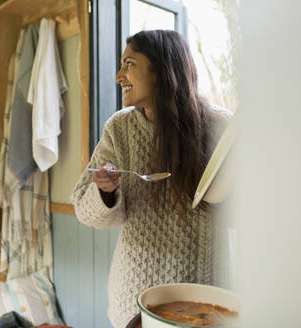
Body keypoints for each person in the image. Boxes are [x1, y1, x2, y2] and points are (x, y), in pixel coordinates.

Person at [70, 30, 231, 328]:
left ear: (161, 70)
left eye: (128, 64)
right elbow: (83, 208)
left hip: (208, 296)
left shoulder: (222, 128)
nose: (119, 76)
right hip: (135, 300)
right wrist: (105, 191)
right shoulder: (119, 129)